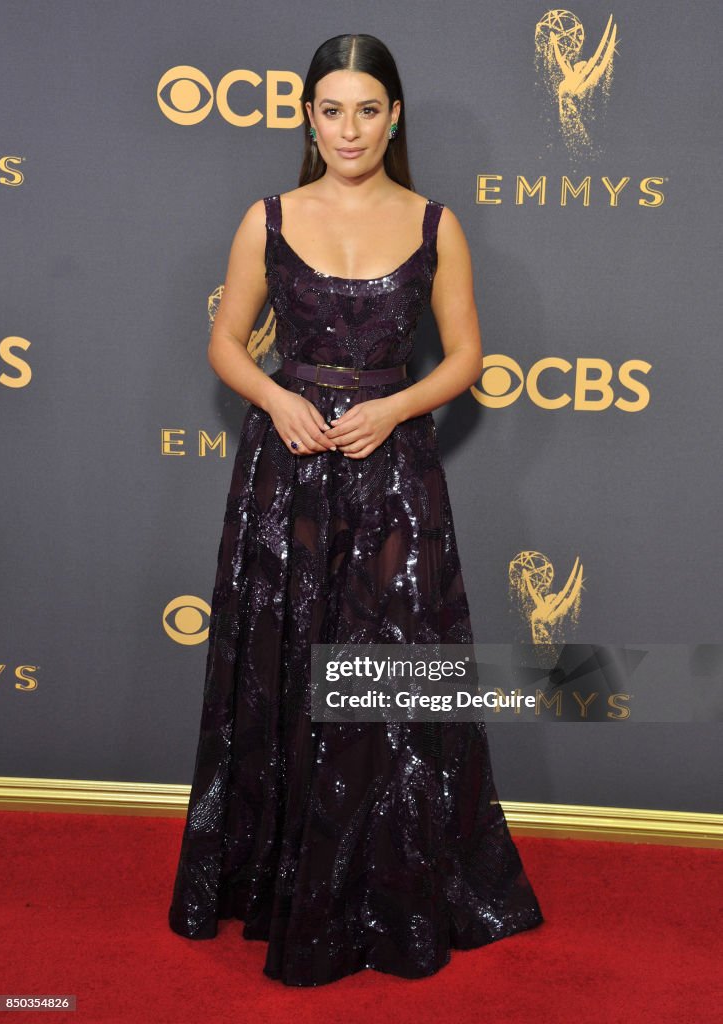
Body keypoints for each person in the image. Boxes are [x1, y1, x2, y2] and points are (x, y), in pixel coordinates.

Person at [168, 32, 544, 987]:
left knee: (387, 677)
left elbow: (464, 358)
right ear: (307, 118)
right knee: (287, 661)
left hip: (394, 469)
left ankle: (386, 887)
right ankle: (279, 876)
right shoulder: (267, 218)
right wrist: (277, 397)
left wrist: (395, 406)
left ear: (394, 117)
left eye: (367, 110)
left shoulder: (434, 224)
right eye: (331, 109)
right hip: (287, 469)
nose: (349, 128)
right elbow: (224, 341)